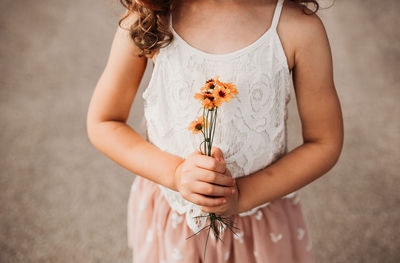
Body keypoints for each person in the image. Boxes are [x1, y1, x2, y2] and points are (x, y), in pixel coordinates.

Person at [86, 0, 343, 262]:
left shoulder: (297, 28)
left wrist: (243, 195)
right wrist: (175, 174)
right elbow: (104, 122)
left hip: (258, 224)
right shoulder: (151, 18)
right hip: (177, 222)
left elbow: (324, 142)